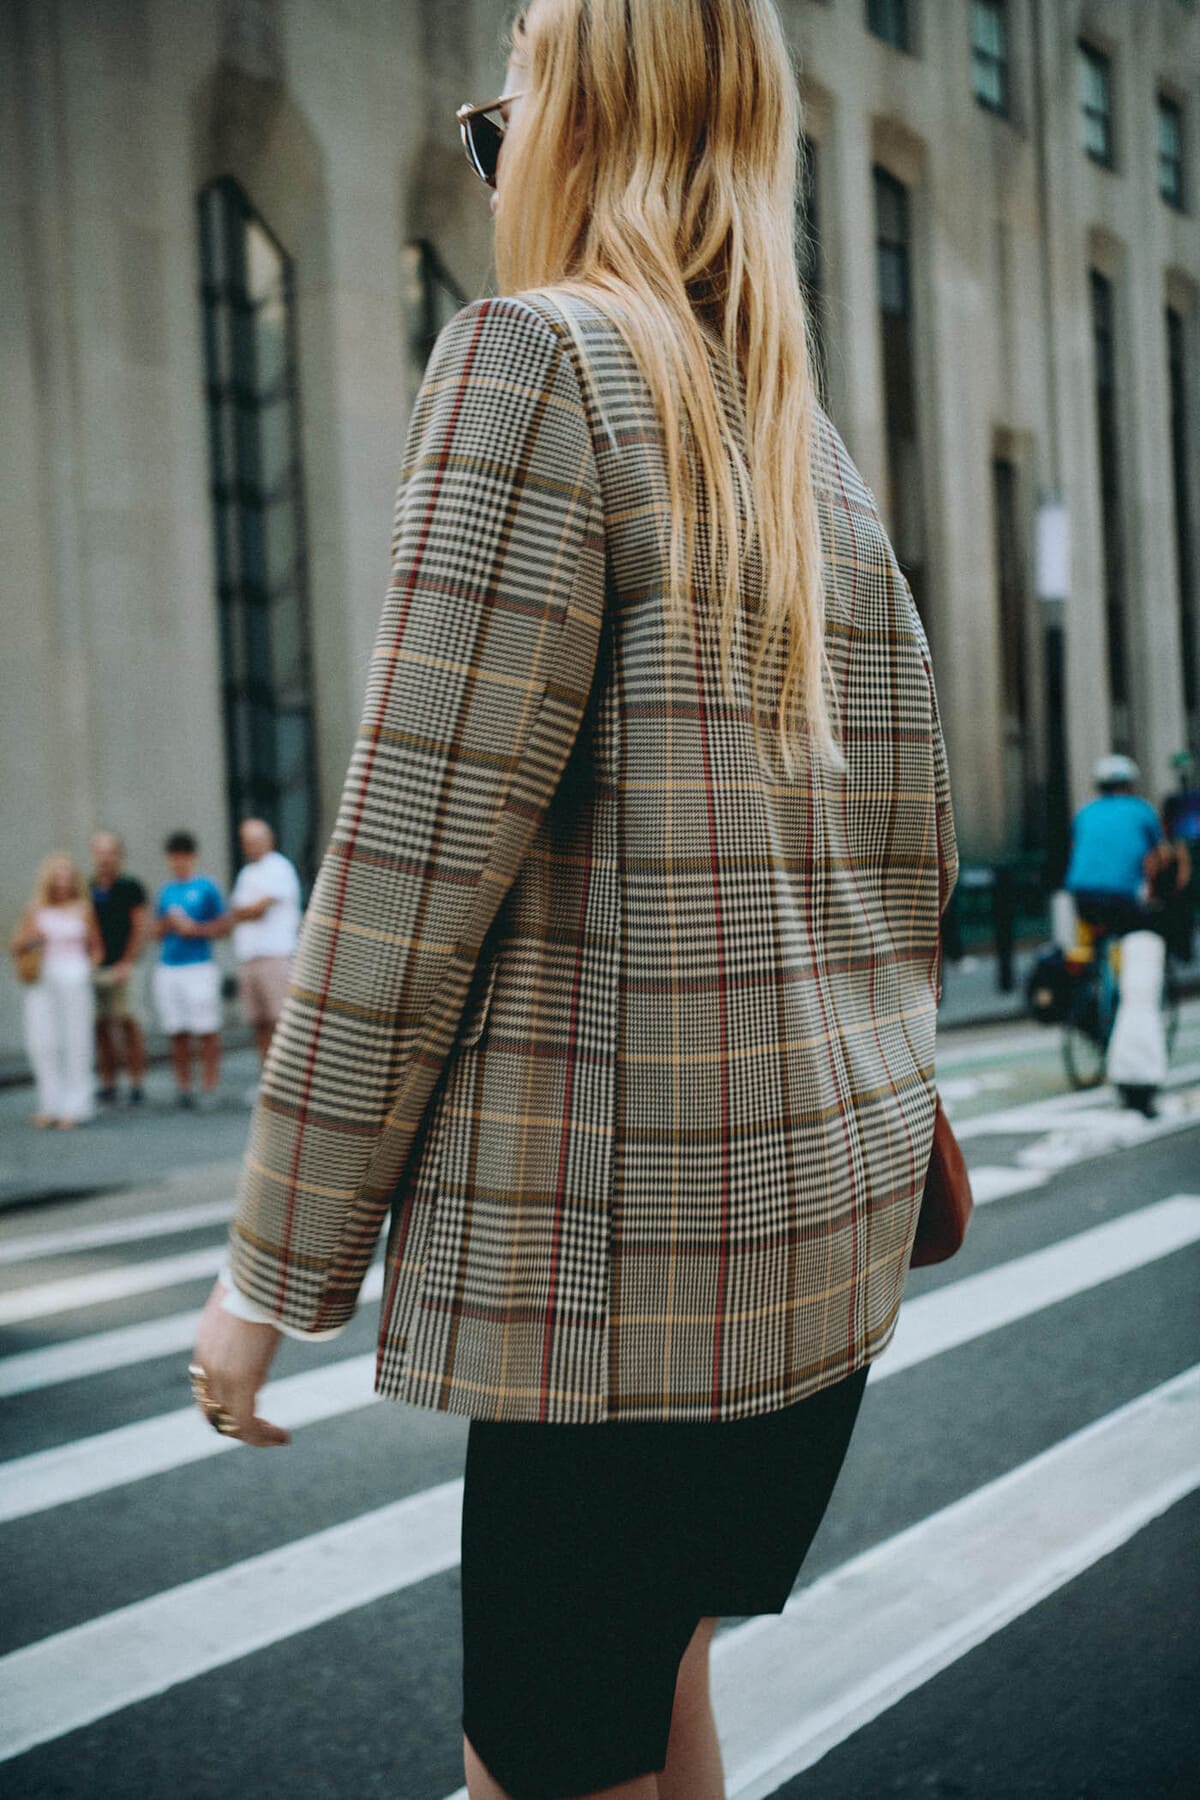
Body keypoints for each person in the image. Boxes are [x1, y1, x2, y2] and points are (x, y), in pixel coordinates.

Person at [189, 6, 957, 1798]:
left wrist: (266, 1270)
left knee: (540, 1763)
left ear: (584, 117)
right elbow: (897, 866)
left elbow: (405, 861)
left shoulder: (538, 364)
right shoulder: (801, 446)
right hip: (802, 1278)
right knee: (647, 1715)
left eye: (515, 92)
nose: (498, 132)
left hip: (620, 1309)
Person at [10, 853, 103, 1128]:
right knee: (44, 1041)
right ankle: (49, 1103)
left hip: (74, 975)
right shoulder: (36, 909)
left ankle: (76, 1106)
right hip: (44, 977)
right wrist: (31, 939)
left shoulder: (83, 909)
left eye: (68, 876)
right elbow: (16, 945)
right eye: (58, 876)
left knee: (76, 1040)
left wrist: (87, 968)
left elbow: (97, 948)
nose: (63, 882)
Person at [222, 819, 302, 1080]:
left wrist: (245, 911)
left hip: (275, 955)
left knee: (280, 1022)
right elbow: (238, 911)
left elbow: (255, 910)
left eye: (255, 840)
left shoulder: (280, 867)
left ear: (269, 839)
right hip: (249, 956)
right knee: (259, 1024)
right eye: (246, 842)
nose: (250, 846)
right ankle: (268, 1080)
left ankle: (288, 1080)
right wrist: (246, 911)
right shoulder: (247, 874)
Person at [153, 831, 227, 1109]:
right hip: (170, 966)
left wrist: (195, 929)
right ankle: (184, 1086)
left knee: (206, 1028)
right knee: (177, 1029)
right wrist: (168, 925)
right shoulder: (166, 892)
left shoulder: (206, 888)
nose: (178, 862)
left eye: (183, 856)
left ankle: (209, 1085)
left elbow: (223, 925)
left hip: (198, 966)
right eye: (174, 857)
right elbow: (156, 930)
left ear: (191, 857)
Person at [1064, 754, 1162, 937]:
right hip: (1122, 894)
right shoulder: (1141, 809)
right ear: (1129, 784)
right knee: (1136, 934)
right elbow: (1155, 857)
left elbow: (1074, 850)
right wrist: (1152, 892)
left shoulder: (1085, 812)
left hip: (1082, 894)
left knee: (1093, 938)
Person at [89, 831, 151, 1106]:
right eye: (99, 852)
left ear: (118, 855)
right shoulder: (89, 887)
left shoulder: (130, 887)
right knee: (101, 1025)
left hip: (125, 965)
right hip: (98, 966)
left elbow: (140, 927)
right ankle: (109, 1082)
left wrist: (128, 961)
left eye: (109, 852)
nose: (104, 858)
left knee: (129, 1022)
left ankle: (136, 1082)